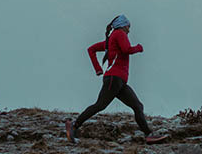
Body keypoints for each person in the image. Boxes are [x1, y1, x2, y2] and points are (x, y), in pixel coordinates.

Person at [65, 14, 167, 144]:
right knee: (100, 105)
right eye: (128, 27)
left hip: (119, 81)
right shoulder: (119, 34)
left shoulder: (112, 39)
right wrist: (139, 48)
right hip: (114, 78)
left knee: (137, 105)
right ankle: (73, 126)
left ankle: (149, 135)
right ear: (123, 26)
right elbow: (126, 49)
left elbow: (91, 49)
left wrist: (98, 69)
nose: (129, 30)